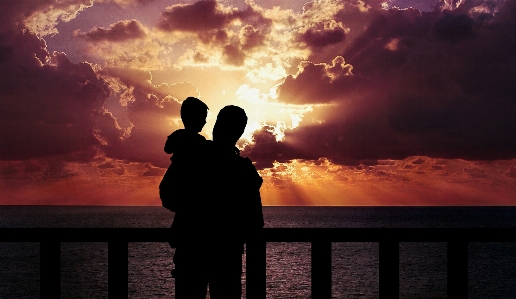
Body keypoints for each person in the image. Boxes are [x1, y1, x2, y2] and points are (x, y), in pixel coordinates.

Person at [171, 105, 264, 299]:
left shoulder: (192, 158)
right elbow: (255, 222)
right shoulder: (244, 171)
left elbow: (168, 194)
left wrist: (191, 212)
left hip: (191, 251)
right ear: (239, 132)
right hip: (226, 255)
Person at [159, 96, 209, 213]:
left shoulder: (180, 135)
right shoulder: (198, 141)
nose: (204, 121)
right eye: (202, 118)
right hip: (179, 186)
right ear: (193, 118)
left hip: (174, 185)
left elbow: (167, 149)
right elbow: (168, 149)